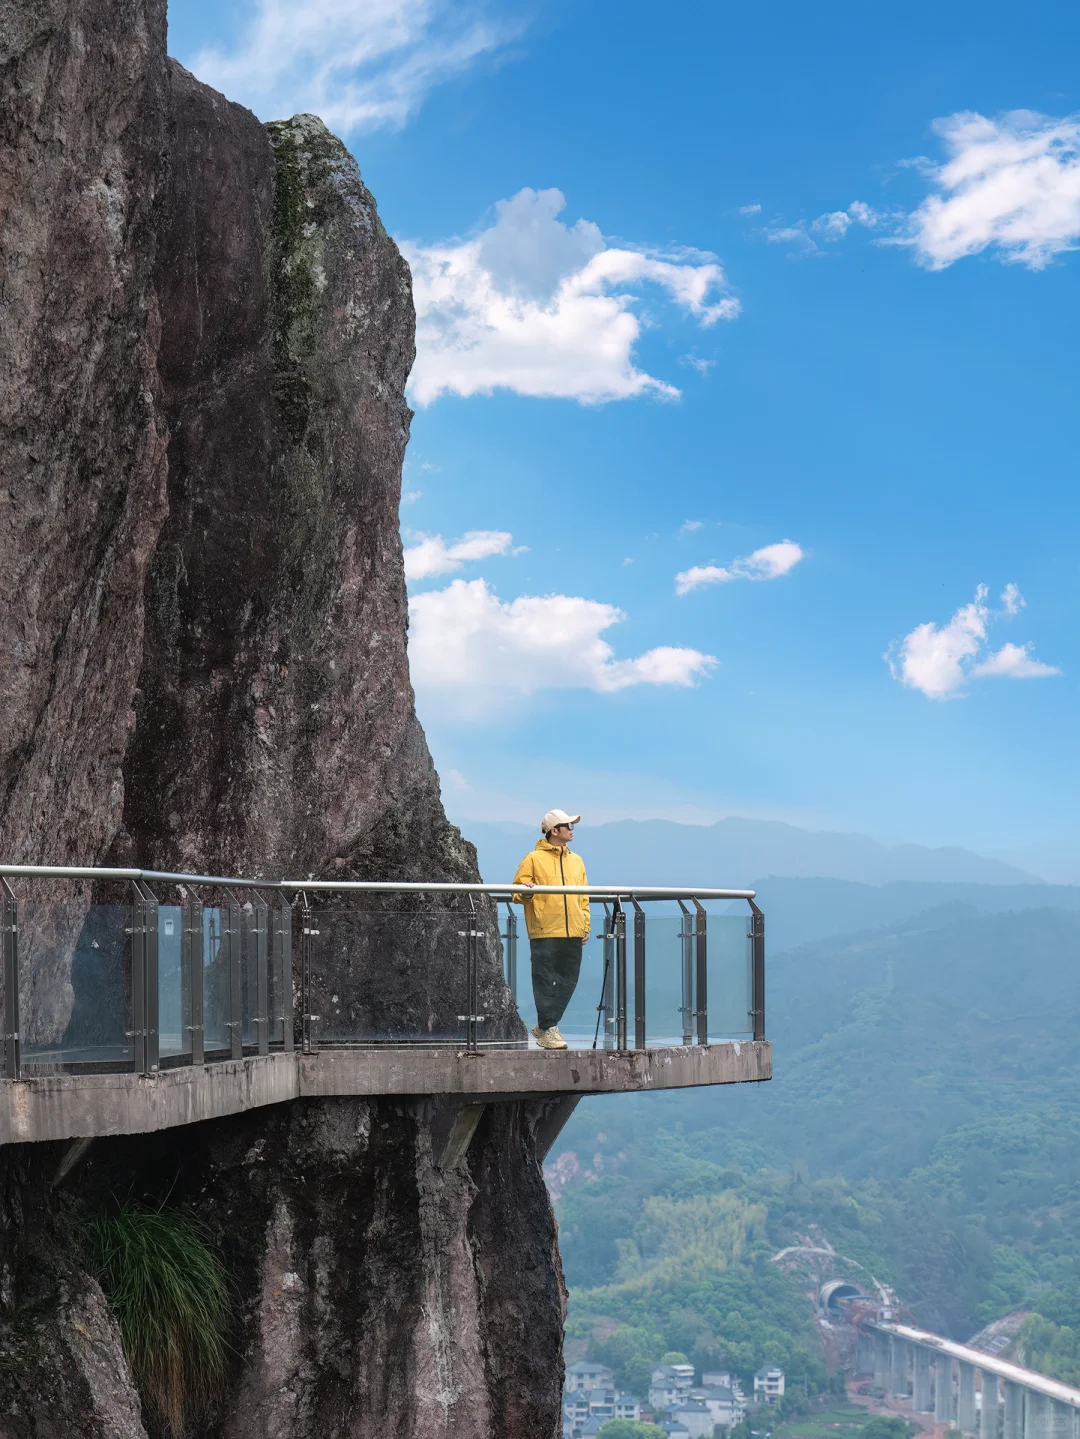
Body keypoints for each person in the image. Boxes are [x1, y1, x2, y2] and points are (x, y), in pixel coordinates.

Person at [512, 809, 590, 1050]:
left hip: (573, 930)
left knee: (569, 981)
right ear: (554, 830)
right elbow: (517, 892)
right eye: (568, 825)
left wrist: (585, 925)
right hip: (544, 929)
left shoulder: (577, 861)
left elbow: (584, 897)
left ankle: (545, 1026)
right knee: (544, 981)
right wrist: (526, 891)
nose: (572, 830)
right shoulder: (533, 858)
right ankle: (548, 1029)